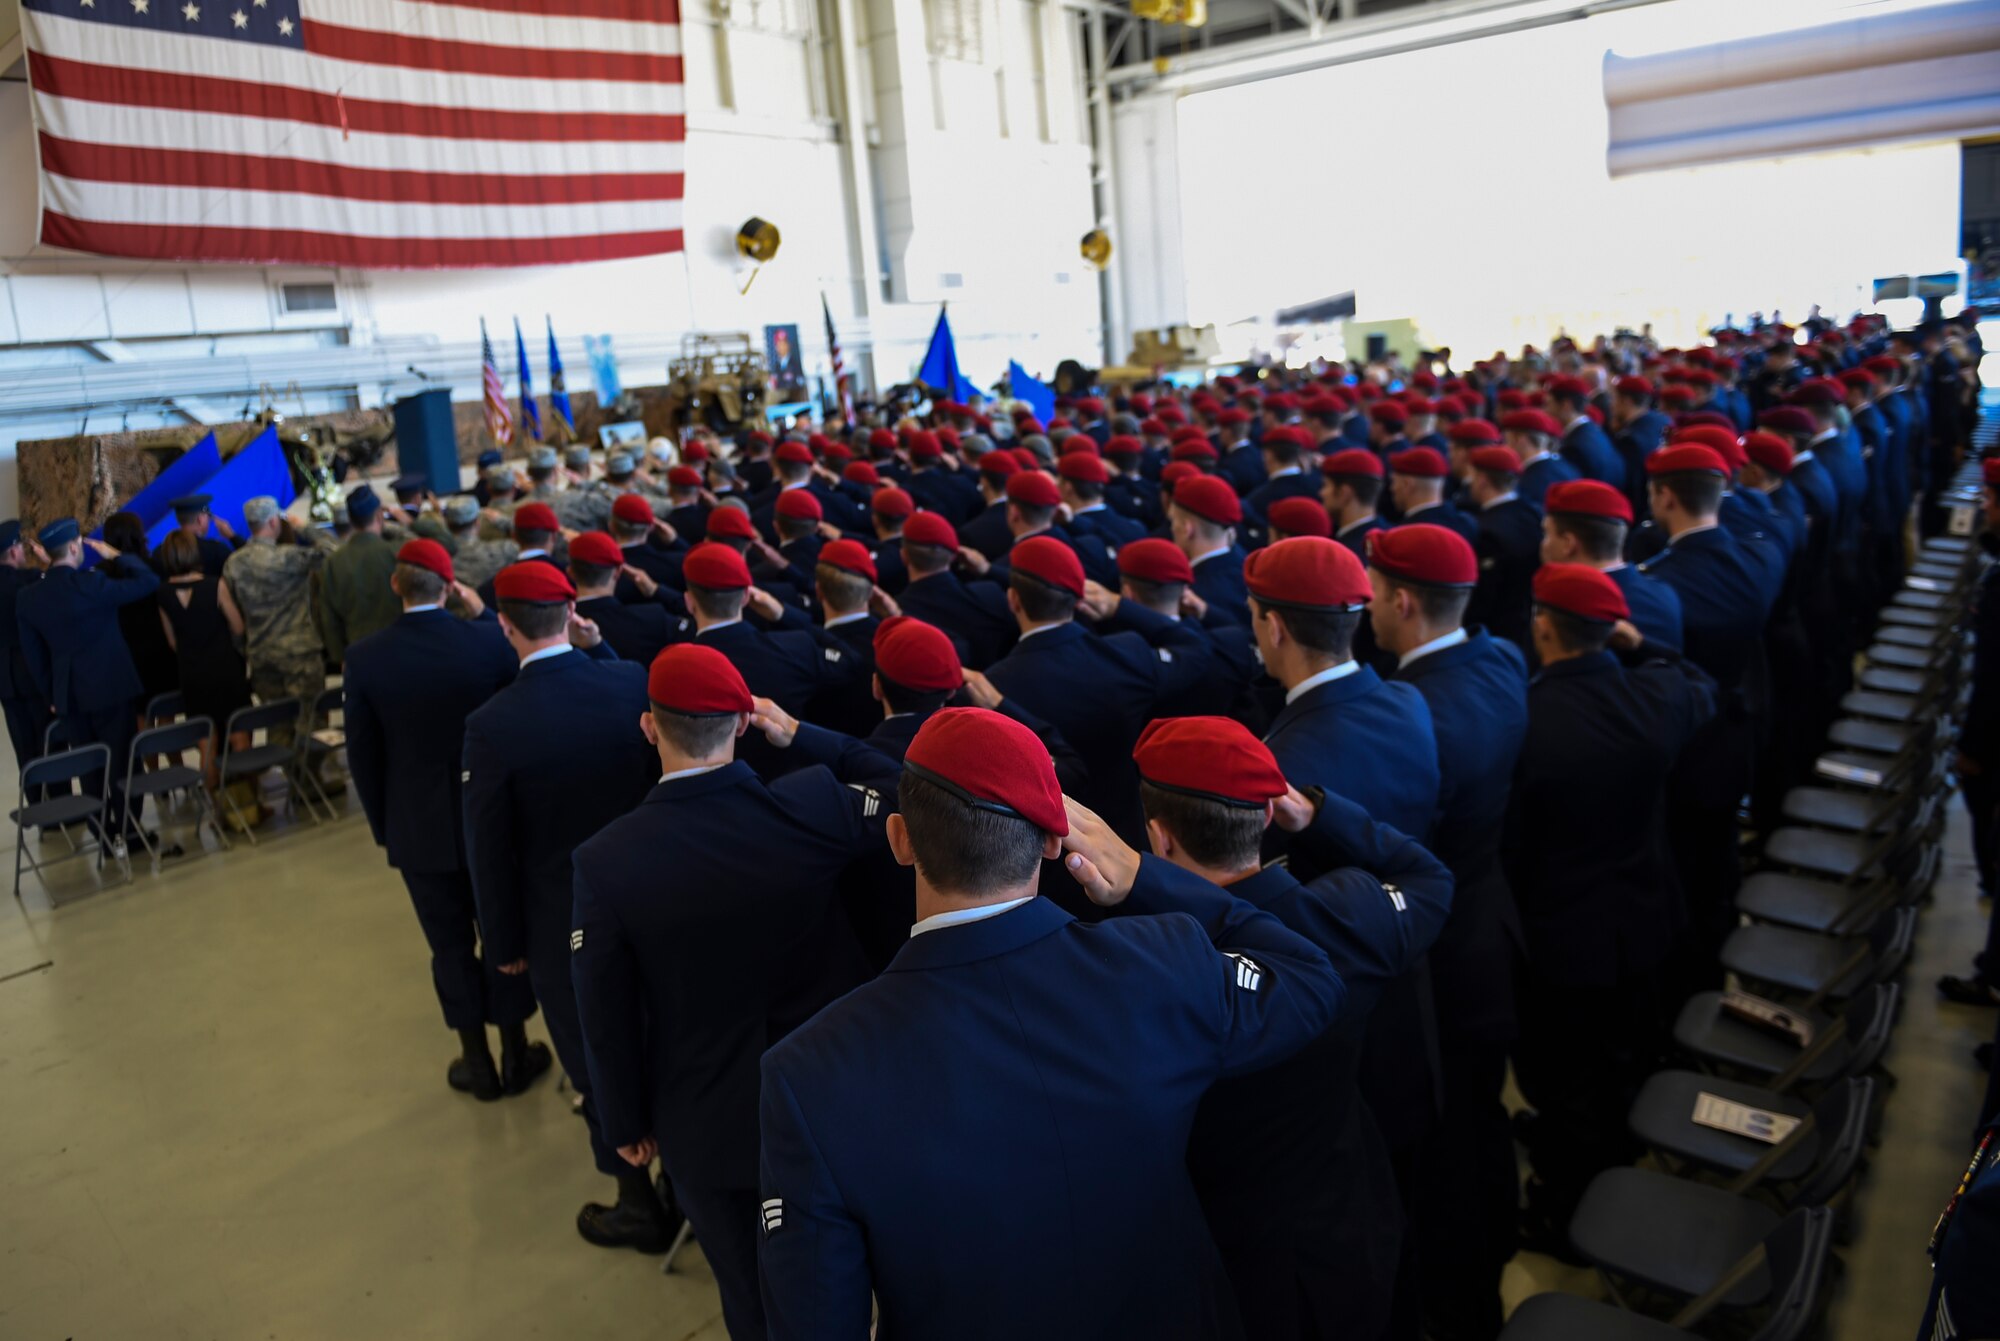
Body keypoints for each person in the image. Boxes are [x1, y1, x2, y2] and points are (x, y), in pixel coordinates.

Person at [756, 707, 1346, 1339]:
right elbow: (1310, 977)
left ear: (900, 840)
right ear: (1050, 840)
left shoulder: (806, 1075)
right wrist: (1146, 876)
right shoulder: (1161, 964)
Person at [572, 645, 898, 1341]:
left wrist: (624, 1122)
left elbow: (604, 1012)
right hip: (838, 1098)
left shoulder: (606, 863)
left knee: (750, 1293)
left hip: (708, 1123)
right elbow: (901, 788)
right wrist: (802, 733)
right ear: (746, 724)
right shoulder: (809, 807)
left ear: (649, 727)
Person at [1129, 716, 1454, 1341]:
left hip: (1241, 1255)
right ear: (1269, 816)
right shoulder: (1351, 914)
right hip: (1353, 1201)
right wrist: (1322, 816)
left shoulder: (1157, 967)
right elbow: (1430, 877)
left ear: (1159, 839)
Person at [461, 561, 680, 1253]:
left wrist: (502, 945)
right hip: (654, 896)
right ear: (572, 615)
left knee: (595, 1056)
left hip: (564, 920)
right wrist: (601, 646)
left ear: (504, 627)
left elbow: (488, 850)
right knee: (664, 1032)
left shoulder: (492, 726)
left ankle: (636, 1198)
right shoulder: (624, 679)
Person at [1506, 564, 1717, 1248]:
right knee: (1618, 1057)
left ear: (1542, 625)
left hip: (1565, 934)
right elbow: (1702, 683)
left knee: (1565, 1079)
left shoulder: (1527, 720)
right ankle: (1613, 1159)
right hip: (1644, 916)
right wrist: (1641, 645)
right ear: (1612, 631)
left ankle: (1568, 1215)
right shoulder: (1656, 698)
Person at [1366, 523, 1530, 1340]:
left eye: (1371, 587)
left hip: (1442, 961)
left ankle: (1465, 1310)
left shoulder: (1412, 713)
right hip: (1490, 927)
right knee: (1481, 1121)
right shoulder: (1499, 658)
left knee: (1447, 1155)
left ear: (1402, 601)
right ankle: (1498, 1245)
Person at [345, 540, 551, 1102]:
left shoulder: (365, 659)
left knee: (449, 946)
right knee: (502, 935)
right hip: (490, 819)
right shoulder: (487, 643)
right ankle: (515, 1051)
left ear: (396, 585)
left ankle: (475, 1059)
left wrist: (387, 829)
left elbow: (362, 757)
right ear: (450, 585)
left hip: (418, 826)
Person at [982, 536, 1208, 845]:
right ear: (1078, 600)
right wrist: (1120, 606)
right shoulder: (1127, 653)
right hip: (1128, 837)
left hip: (1047, 846)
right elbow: (1195, 648)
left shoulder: (995, 687)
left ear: (1013, 600)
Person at [16, 518, 162, 849]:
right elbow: (148, 580)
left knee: (90, 769)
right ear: (72, 548)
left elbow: (34, 655)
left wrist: (51, 694)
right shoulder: (92, 585)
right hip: (112, 688)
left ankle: (103, 833)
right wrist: (116, 556)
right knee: (123, 763)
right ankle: (129, 832)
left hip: (69, 695)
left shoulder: (29, 598)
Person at [224, 496, 335, 747]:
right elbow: (332, 551)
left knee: (277, 726)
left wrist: (245, 650)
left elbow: (234, 614)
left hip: (262, 656)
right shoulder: (288, 558)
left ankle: (291, 780)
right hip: (299, 654)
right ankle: (313, 783)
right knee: (311, 723)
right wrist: (302, 526)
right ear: (274, 521)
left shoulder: (234, 564)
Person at [154, 531, 251, 791]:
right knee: (240, 736)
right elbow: (239, 627)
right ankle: (248, 804)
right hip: (225, 669)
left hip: (192, 675)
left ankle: (216, 810)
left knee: (207, 743)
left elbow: (171, 641)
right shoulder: (214, 585)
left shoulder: (162, 593)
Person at [1540, 479, 1683, 649]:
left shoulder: (1567, 615)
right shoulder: (1663, 592)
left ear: (1568, 544)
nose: (1544, 544)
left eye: (1547, 533)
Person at [893, 512, 1015, 669]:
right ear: (953, 557)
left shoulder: (900, 612)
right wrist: (990, 570)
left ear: (903, 556)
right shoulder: (990, 595)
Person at [318, 485, 404, 664]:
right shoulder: (397, 553)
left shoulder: (333, 563)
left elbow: (328, 619)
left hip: (359, 655)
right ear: (380, 516)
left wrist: (341, 658)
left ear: (350, 519)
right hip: (401, 649)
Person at [102, 511, 179, 711]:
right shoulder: (155, 567)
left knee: (137, 716)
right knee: (166, 711)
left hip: (123, 657)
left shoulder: (102, 574)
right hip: (160, 651)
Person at [0, 521, 49, 789]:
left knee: (23, 746)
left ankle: (36, 809)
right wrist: (47, 562)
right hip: (32, 672)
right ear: (15, 551)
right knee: (48, 743)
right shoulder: (28, 580)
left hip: (5, 680)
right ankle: (61, 805)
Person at [165, 494, 239, 577]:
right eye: (208, 517)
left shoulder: (162, 552)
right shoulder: (216, 550)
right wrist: (233, 537)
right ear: (200, 519)